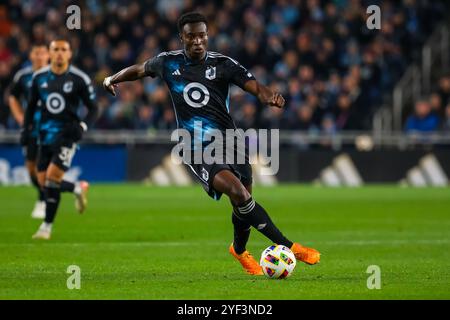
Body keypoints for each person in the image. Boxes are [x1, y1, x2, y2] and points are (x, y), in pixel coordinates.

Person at [103, 12, 320, 275]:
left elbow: (253, 85)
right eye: (191, 36)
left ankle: (238, 251)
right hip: (194, 146)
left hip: (231, 140)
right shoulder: (167, 62)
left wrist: (267, 96)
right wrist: (112, 78)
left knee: (243, 201)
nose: (197, 41)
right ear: (181, 37)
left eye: (202, 35)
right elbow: (139, 70)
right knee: (239, 193)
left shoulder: (223, 64)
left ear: (208, 36)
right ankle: (289, 246)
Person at [21, 39, 98, 239]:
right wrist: (25, 130)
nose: (59, 54)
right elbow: (30, 107)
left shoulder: (79, 79)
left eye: (64, 50)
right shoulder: (38, 78)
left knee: (52, 179)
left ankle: (46, 227)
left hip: (67, 135)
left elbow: (94, 108)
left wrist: (82, 126)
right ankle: (76, 187)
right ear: (50, 53)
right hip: (43, 135)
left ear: (70, 54)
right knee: (43, 182)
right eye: (55, 50)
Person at [9, 43, 89, 219]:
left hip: (55, 132)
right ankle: (75, 187)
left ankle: (42, 201)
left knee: (48, 174)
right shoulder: (24, 76)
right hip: (33, 130)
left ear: (48, 55)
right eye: (35, 53)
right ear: (30, 56)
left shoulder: (59, 76)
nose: (39, 56)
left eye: (42, 53)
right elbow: (13, 97)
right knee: (33, 172)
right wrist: (20, 118)